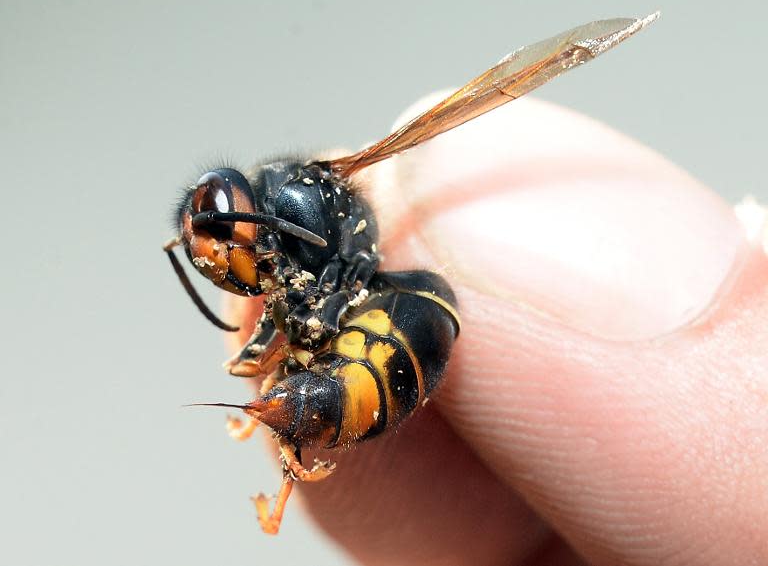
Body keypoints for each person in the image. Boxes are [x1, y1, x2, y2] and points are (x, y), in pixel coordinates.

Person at [227, 96, 768, 565]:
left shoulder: (308, 212)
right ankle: (300, 427)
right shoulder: (294, 285)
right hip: (379, 329)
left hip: (406, 317)